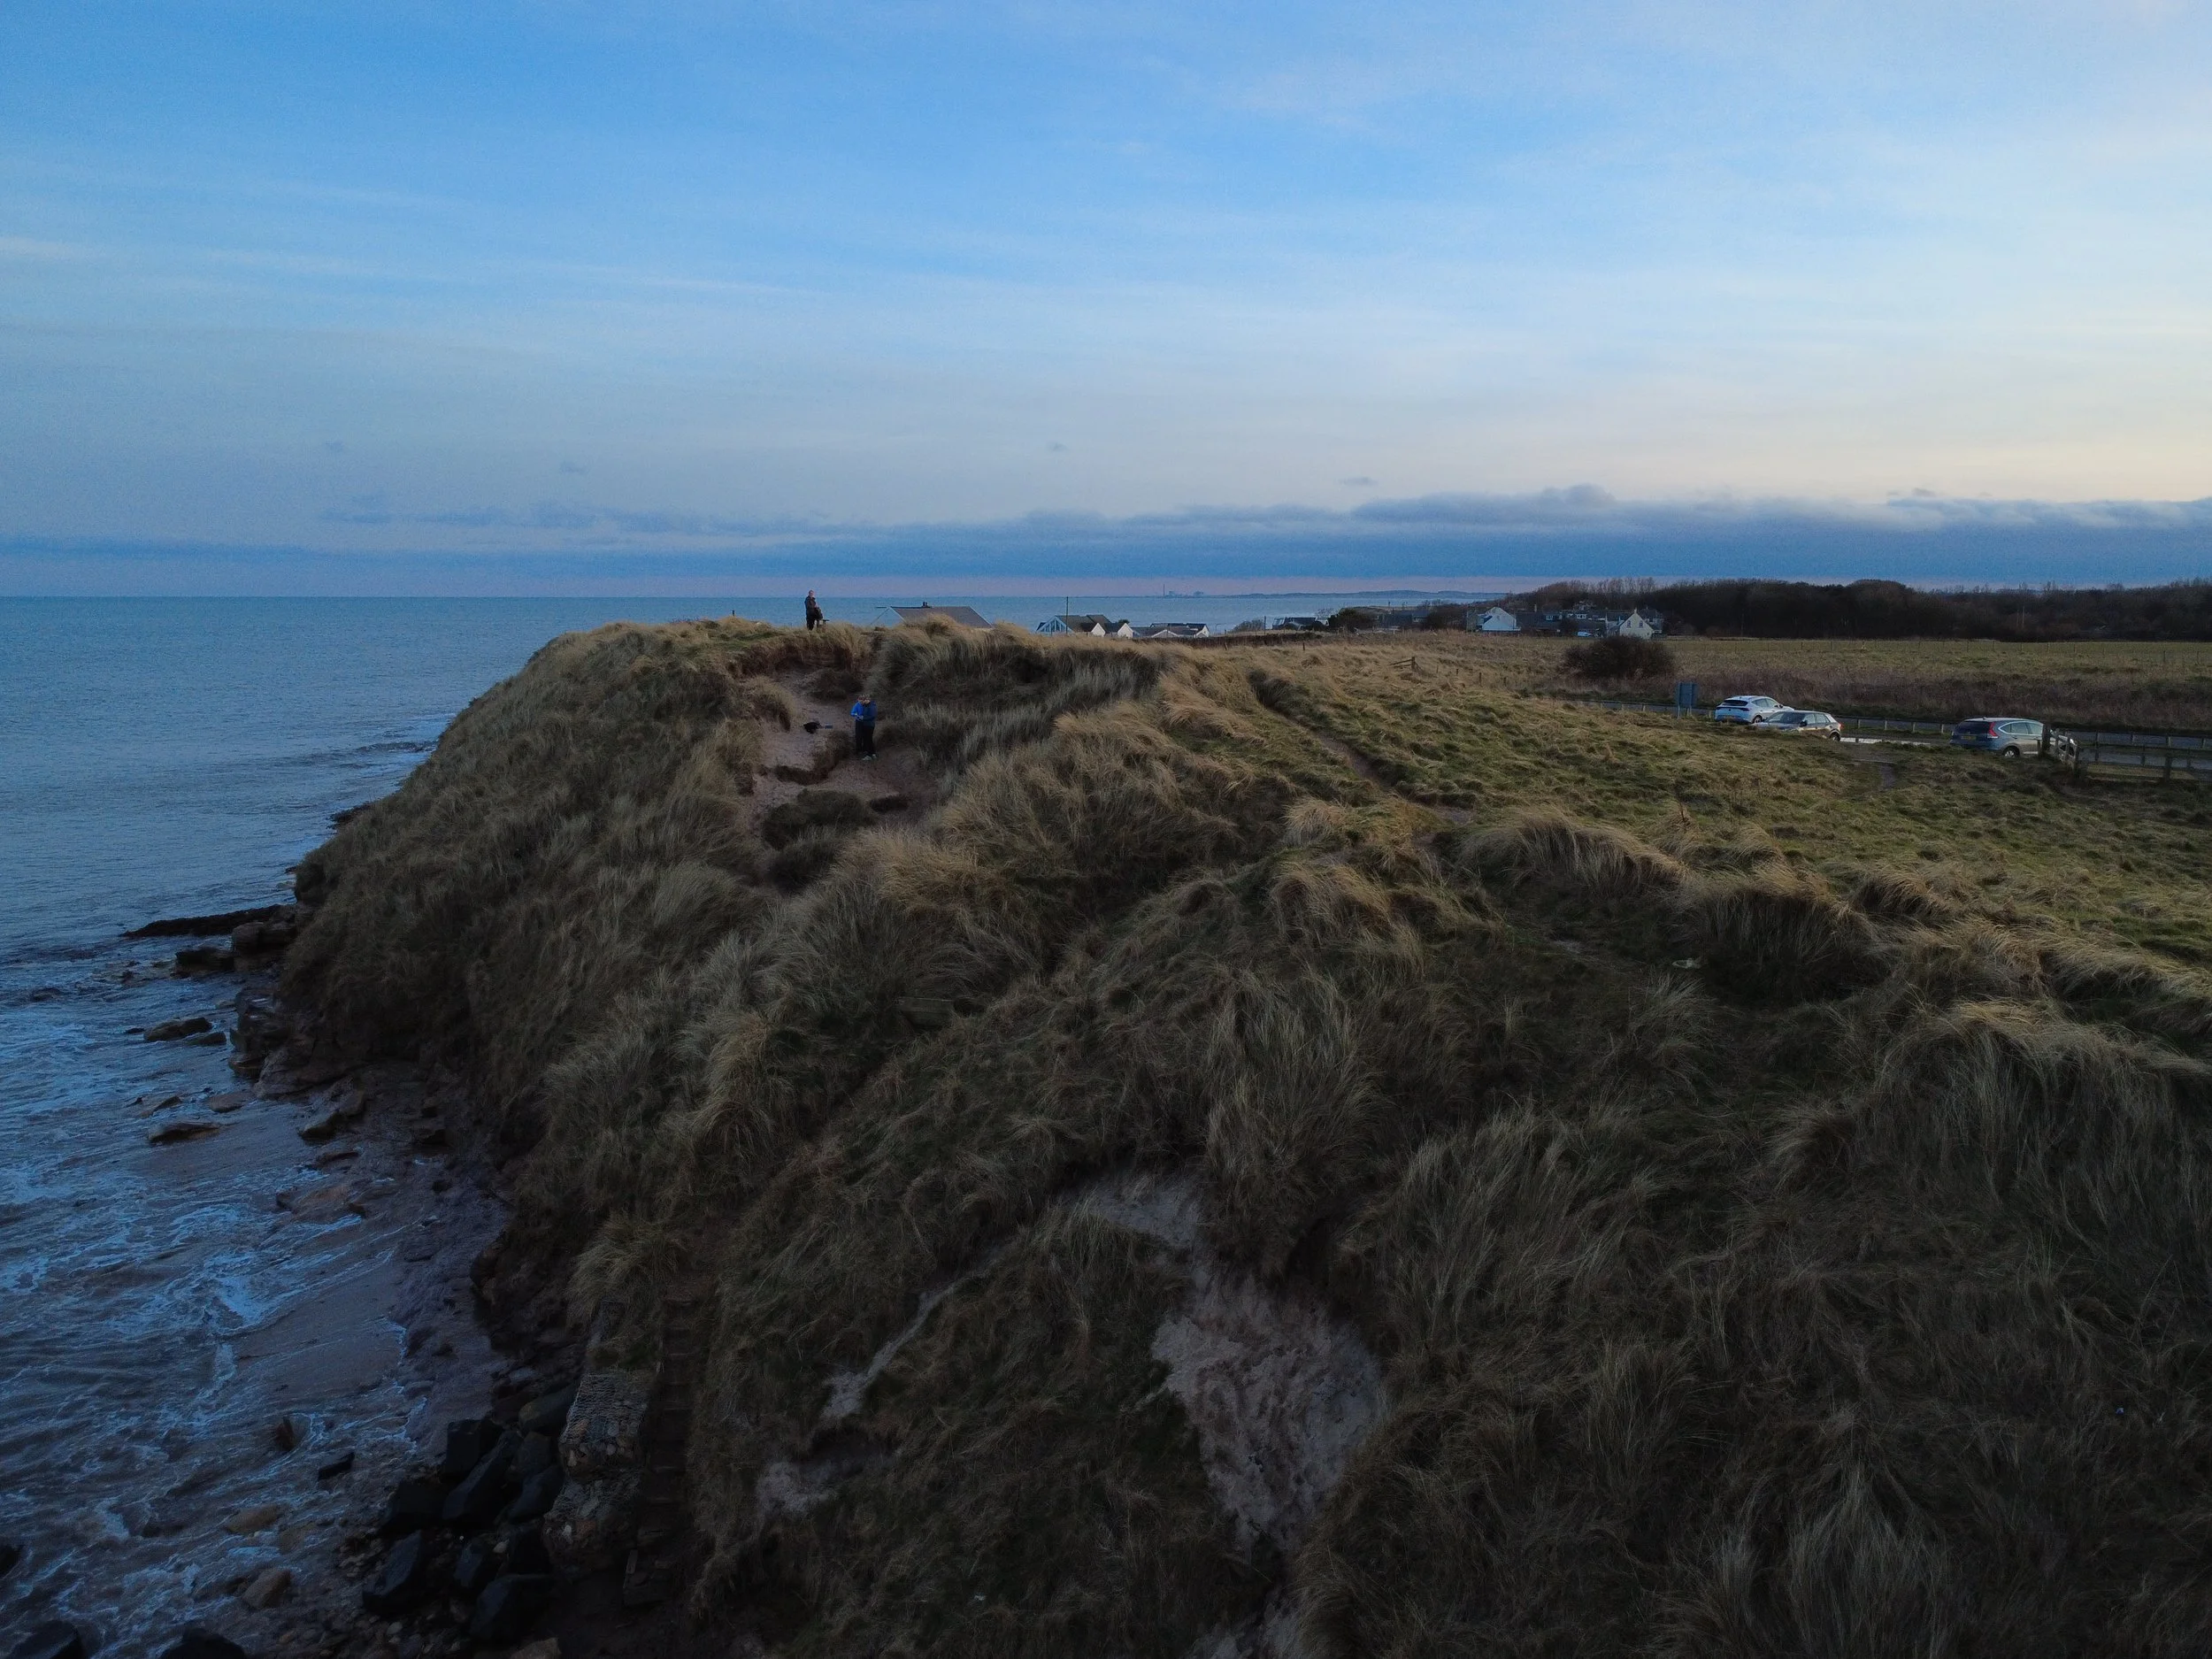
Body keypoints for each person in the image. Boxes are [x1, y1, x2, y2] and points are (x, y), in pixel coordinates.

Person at [851, 693, 877, 760]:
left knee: (868, 739)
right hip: (863, 723)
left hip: (868, 724)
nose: (862, 701)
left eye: (863, 700)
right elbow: (853, 712)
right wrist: (858, 716)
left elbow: (872, 716)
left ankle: (869, 754)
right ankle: (871, 753)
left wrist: (863, 718)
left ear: (867, 699)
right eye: (861, 699)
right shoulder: (864, 705)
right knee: (865, 738)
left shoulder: (871, 706)